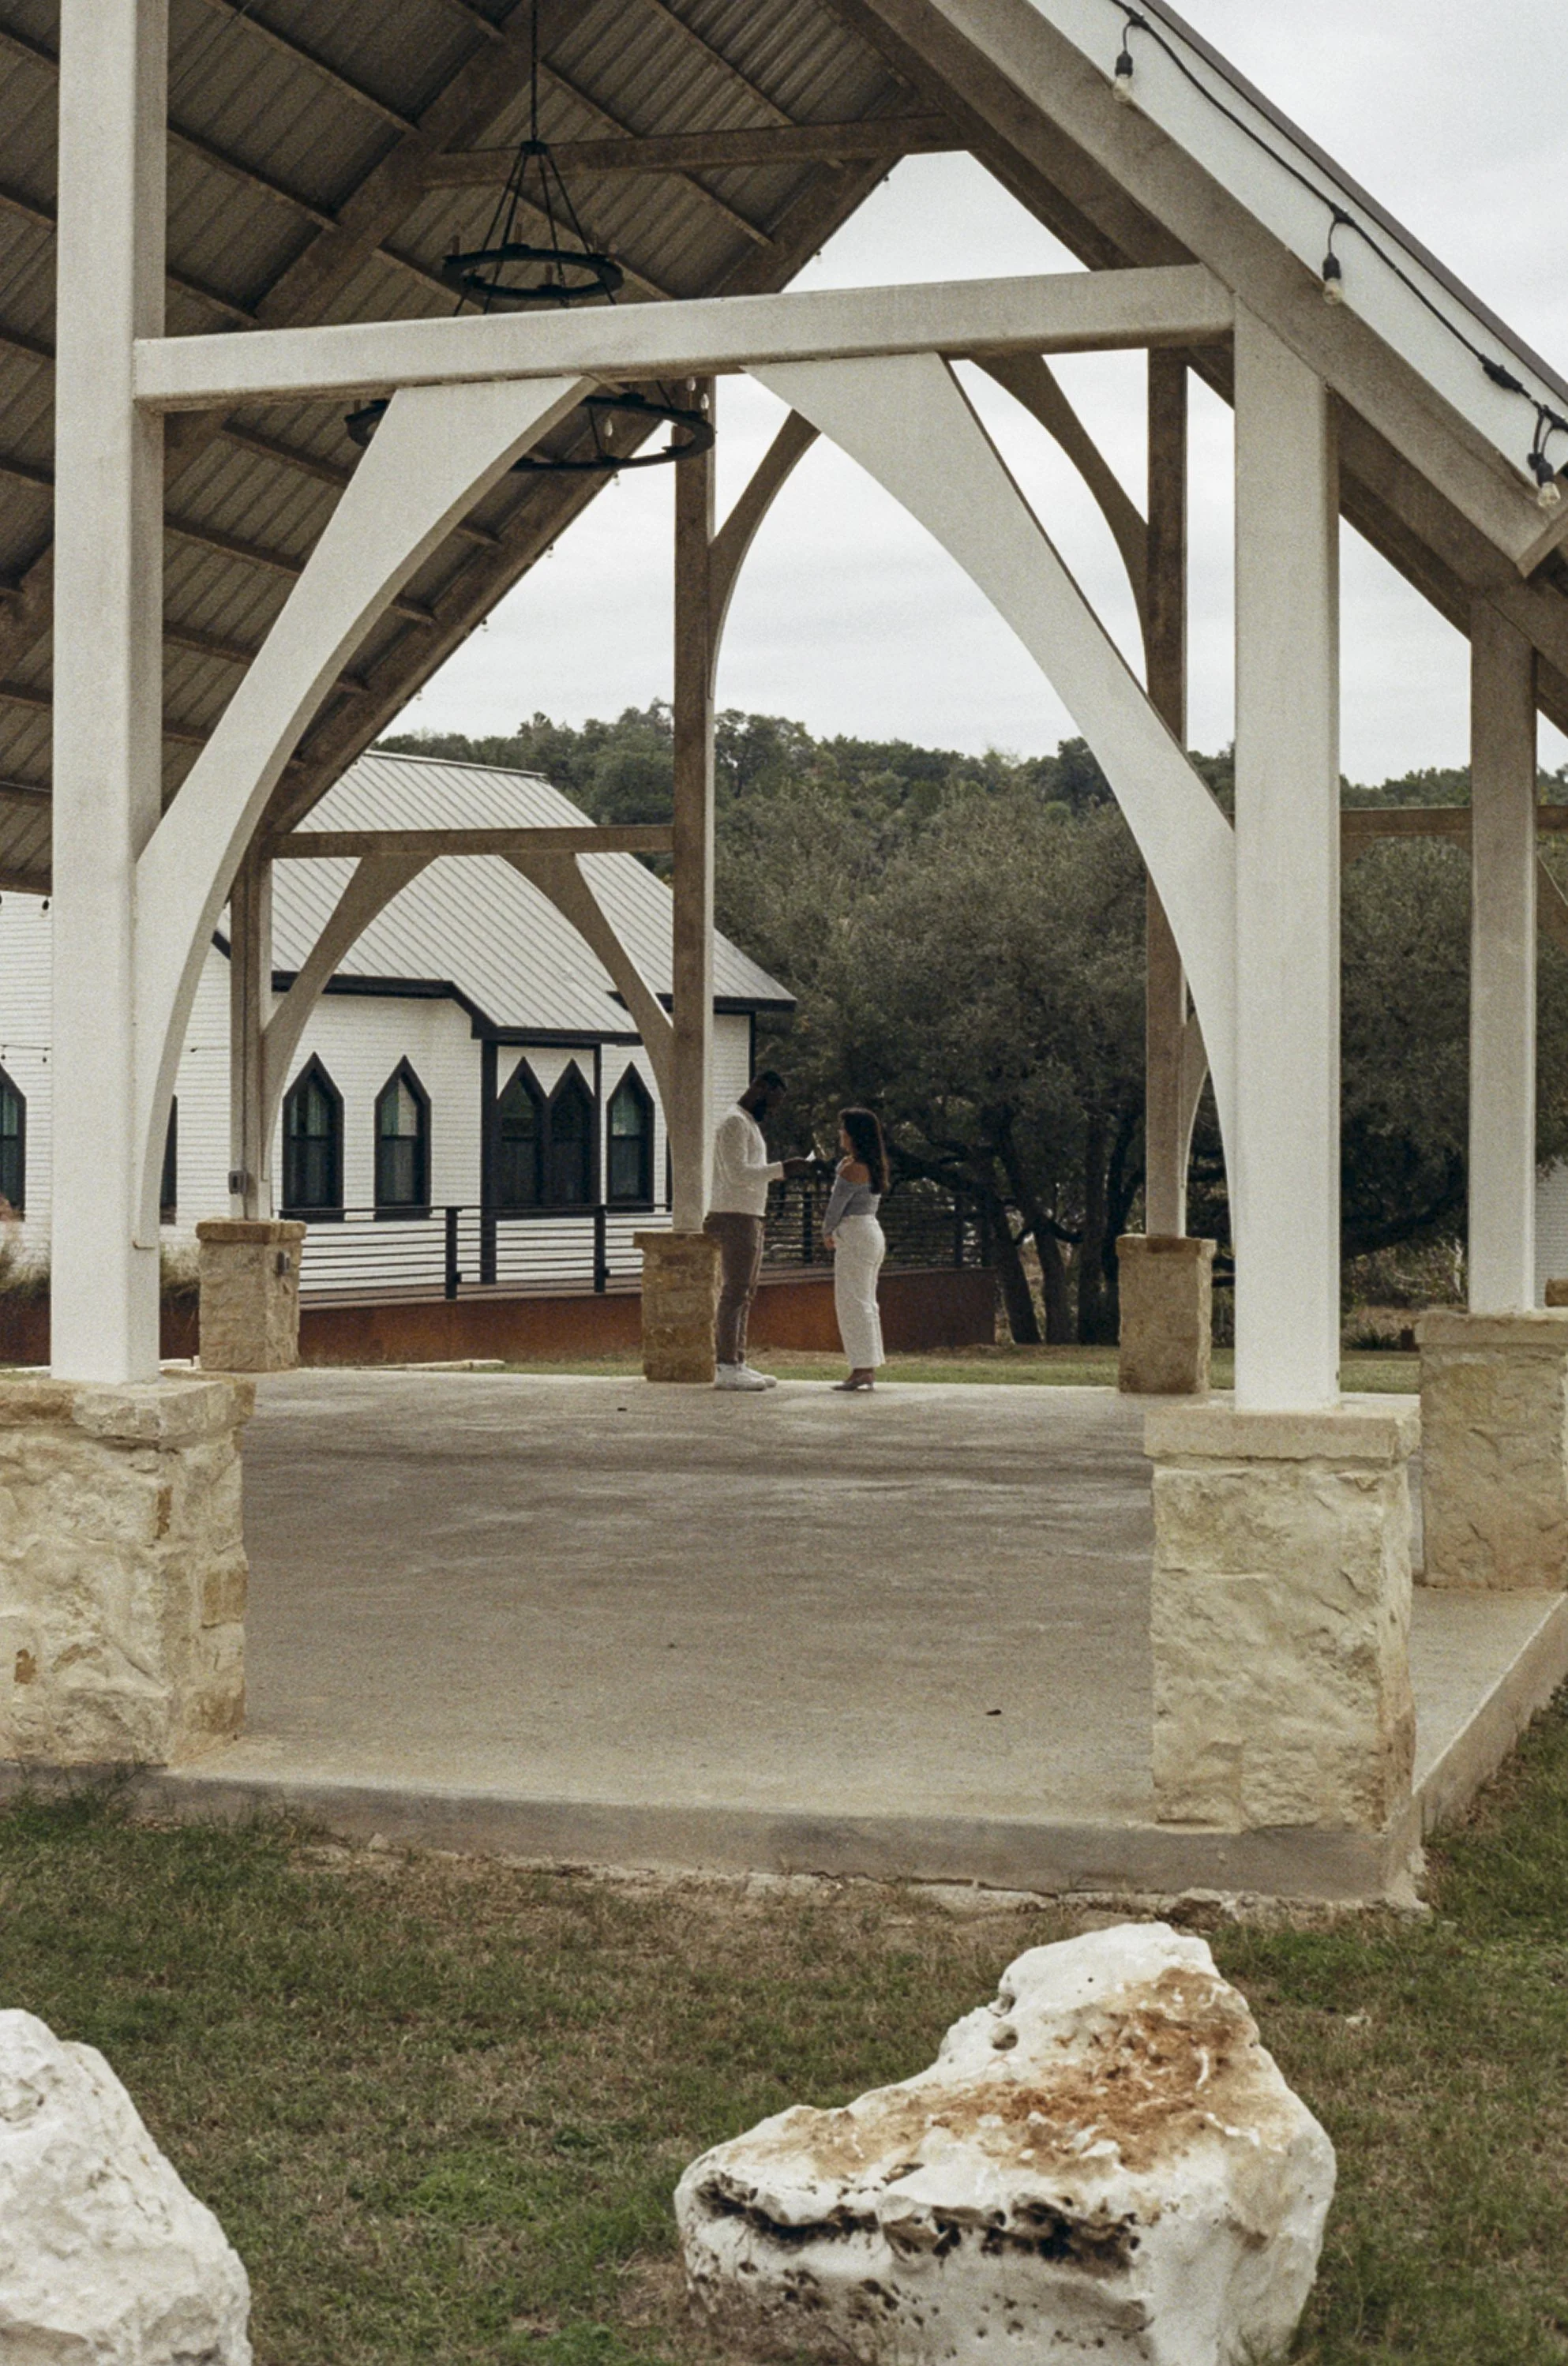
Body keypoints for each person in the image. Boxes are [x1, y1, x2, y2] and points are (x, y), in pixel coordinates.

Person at [706, 1071, 812, 1392]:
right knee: (734, 1291)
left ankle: (737, 1360)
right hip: (733, 1215)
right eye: (774, 1102)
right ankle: (725, 1366)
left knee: (745, 1293)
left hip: (750, 1214)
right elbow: (737, 1174)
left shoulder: (749, 1124)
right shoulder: (734, 1123)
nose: (774, 1110)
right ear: (760, 1089)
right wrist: (782, 1170)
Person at [823, 1106, 888, 1392]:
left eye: (844, 1129)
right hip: (872, 1231)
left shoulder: (851, 1169)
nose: (841, 1134)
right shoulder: (874, 1165)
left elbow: (836, 1207)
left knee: (851, 1302)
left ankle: (861, 1367)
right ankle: (868, 1364)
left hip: (854, 1233)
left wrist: (826, 1231)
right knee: (866, 1301)